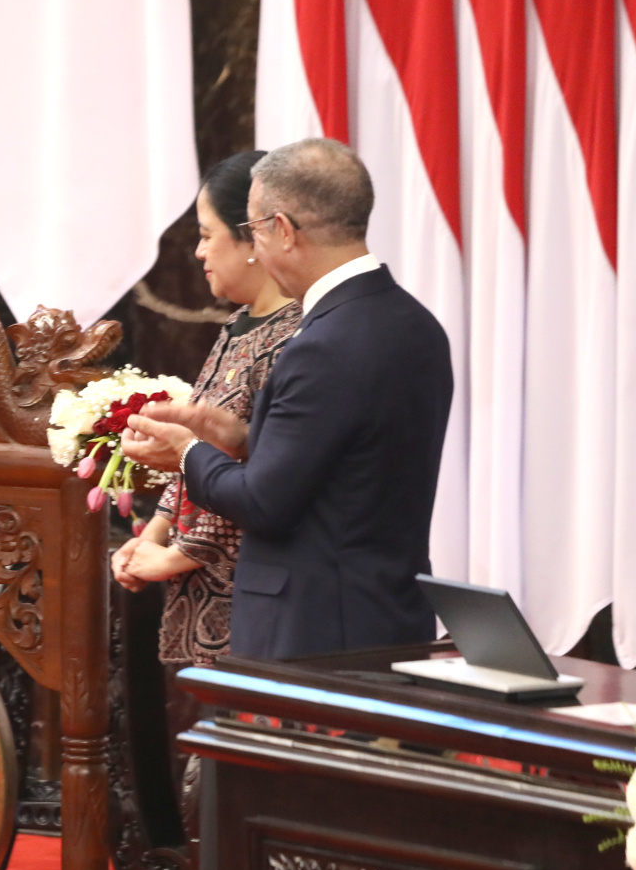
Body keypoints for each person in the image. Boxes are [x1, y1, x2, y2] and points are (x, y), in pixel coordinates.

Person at [121, 138, 452, 659]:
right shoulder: (416, 324)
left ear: (282, 230)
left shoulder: (324, 343)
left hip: (316, 634)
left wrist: (186, 453)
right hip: (386, 612)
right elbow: (345, 468)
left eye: (252, 230)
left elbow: (264, 504)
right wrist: (240, 439)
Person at [112, 151, 302, 668]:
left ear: (251, 239)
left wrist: (175, 555)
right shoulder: (235, 327)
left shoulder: (296, 338)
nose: (198, 252)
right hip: (197, 590)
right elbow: (192, 453)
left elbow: (262, 468)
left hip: (253, 595)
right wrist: (148, 536)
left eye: (206, 234)